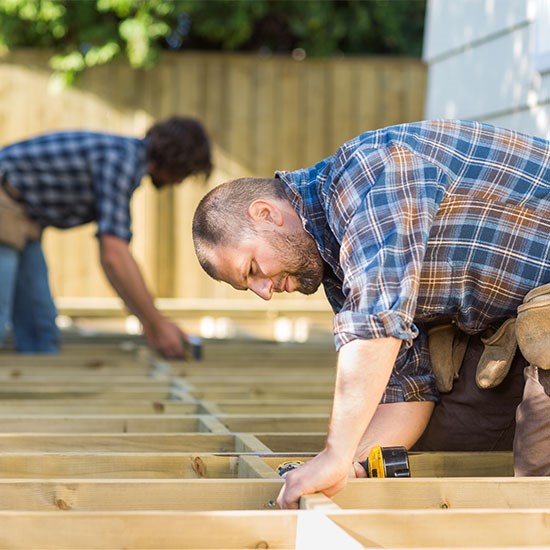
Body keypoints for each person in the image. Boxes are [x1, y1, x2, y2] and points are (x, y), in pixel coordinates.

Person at [192, 119, 550, 507]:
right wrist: (352, 464)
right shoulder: (339, 271)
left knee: (534, 486)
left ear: (266, 214)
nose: (263, 292)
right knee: (444, 445)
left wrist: (334, 453)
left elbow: (377, 322)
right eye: (250, 286)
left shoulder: (367, 175)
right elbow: (408, 392)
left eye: (252, 270)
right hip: (518, 321)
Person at [0, 116, 212, 358]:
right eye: (185, 173)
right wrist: (156, 324)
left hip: (22, 217)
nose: (179, 182)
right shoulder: (121, 160)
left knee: (40, 334)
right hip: (5, 201)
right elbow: (114, 255)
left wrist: (152, 323)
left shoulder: (124, 157)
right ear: (177, 161)